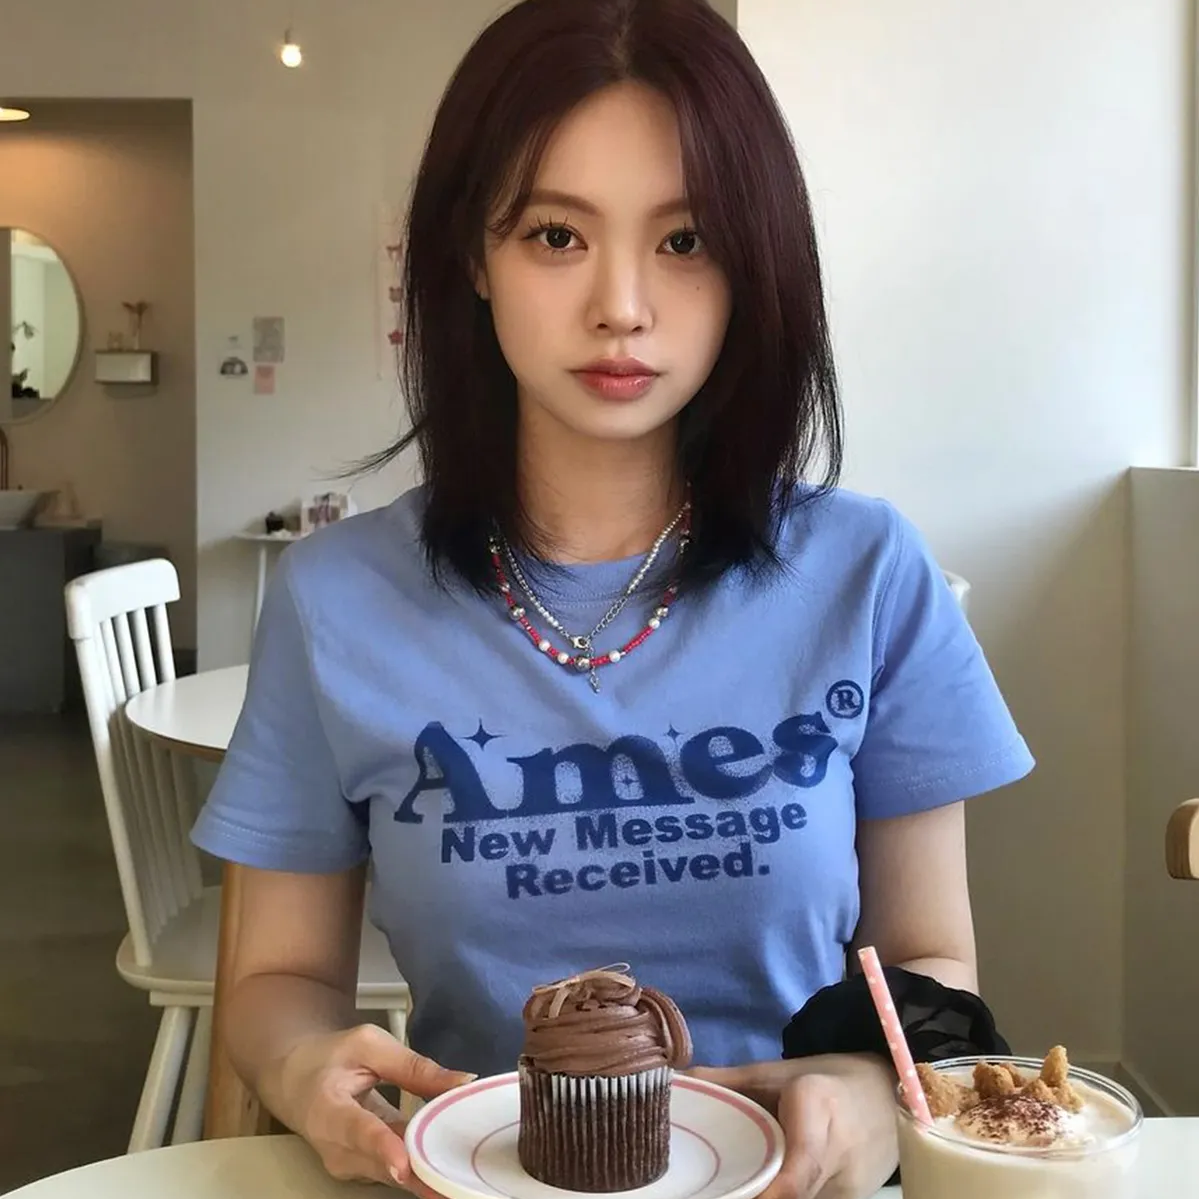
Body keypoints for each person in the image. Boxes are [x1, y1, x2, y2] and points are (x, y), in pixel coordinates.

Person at [191, 1, 1034, 1194]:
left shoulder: (868, 572)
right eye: (555, 235)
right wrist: (298, 1065)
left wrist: (863, 1088)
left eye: (684, 240)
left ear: (752, 262)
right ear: (471, 256)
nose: (622, 305)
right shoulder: (336, 598)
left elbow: (927, 954)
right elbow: (275, 979)